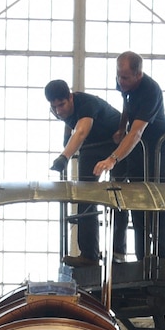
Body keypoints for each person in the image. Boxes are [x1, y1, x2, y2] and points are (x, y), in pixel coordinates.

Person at [93, 51, 165, 265]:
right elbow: (126, 106)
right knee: (138, 199)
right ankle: (142, 258)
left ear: (138, 74)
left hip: (158, 144)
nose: (121, 82)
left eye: (125, 78)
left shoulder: (150, 90)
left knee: (159, 200)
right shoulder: (125, 83)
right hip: (137, 146)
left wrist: (113, 158)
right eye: (119, 76)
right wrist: (121, 128)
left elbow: (137, 132)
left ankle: (163, 259)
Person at [44, 79, 122, 264]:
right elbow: (70, 122)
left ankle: (118, 251)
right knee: (85, 197)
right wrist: (65, 137)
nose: (58, 110)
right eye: (54, 107)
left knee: (119, 196)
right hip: (93, 147)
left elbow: (81, 131)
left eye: (61, 105)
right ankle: (89, 254)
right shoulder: (58, 109)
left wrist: (64, 157)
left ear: (70, 97)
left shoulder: (87, 103)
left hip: (117, 144)